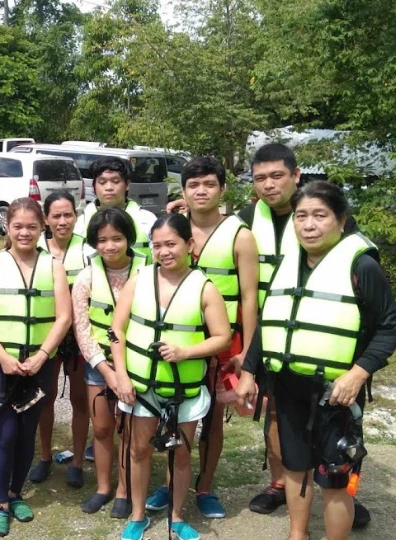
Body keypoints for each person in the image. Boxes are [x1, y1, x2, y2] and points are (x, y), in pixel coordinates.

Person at [167, 143, 371, 526]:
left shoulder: (323, 217)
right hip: (270, 337)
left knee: (338, 424)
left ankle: (338, 492)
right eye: (260, 177)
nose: (269, 184)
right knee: (276, 416)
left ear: (296, 175)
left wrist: (361, 363)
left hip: (325, 339)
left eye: (277, 175)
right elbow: (218, 226)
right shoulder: (247, 217)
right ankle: (281, 483)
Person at [237, 181, 396, 540]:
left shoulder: (362, 266)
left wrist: (358, 374)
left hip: (337, 393)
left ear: (341, 221)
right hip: (288, 384)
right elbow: (271, 320)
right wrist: (249, 371)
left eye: (319, 216)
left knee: (335, 477)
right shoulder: (288, 263)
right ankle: (298, 534)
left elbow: (389, 326)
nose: (309, 225)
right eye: (301, 216)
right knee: (294, 466)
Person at [145, 156, 259, 520]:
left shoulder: (240, 235)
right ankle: (169, 484)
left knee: (210, 420)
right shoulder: (174, 229)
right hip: (177, 340)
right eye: (193, 185)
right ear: (184, 191)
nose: (201, 191)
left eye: (209, 184)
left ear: (222, 189)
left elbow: (249, 299)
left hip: (223, 344)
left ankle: (205, 485)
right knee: (171, 415)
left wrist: (248, 360)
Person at [111, 214, 231, 540]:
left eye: (171, 244)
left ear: (189, 245)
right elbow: (116, 331)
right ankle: (137, 516)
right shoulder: (139, 279)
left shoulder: (204, 287)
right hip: (140, 387)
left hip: (184, 390)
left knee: (180, 454)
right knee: (138, 451)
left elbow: (222, 336)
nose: (164, 251)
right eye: (157, 245)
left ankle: (177, 517)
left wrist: (185, 352)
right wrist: (120, 376)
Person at [0, 198, 72, 537]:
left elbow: (63, 316)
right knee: (6, 433)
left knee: (28, 431)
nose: (25, 232)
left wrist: (43, 355)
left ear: (42, 226)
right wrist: (1, 355)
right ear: (8, 228)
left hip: (38, 364)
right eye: (18, 226)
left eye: (32, 226)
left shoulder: (54, 265)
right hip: (3, 364)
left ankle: (16, 494)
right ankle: (0, 503)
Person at [72, 208, 147, 516]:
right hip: (98, 362)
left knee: (129, 430)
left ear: (128, 238)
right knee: (102, 428)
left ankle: (124, 489)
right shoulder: (86, 277)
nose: (110, 246)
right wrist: (105, 369)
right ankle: (103, 486)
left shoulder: (149, 271)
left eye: (117, 238)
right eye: (102, 240)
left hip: (138, 361)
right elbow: (82, 328)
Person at [29, 190, 90, 488]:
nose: (63, 221)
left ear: (76, 217)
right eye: (56, 216)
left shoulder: (89, 249)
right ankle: (43, 457)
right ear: (45, 219)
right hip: (47, 333)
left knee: (80, 400)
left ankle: (77, 462)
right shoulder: (34, 247)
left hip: (79, 336)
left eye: (68, 215)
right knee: (45, 398)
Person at [73, 157, 157, 262]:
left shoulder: (147, 220)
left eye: (115, 181)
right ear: (94, 187)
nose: (109, 187)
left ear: (127, 185)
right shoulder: (81, 223)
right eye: (102, 182)